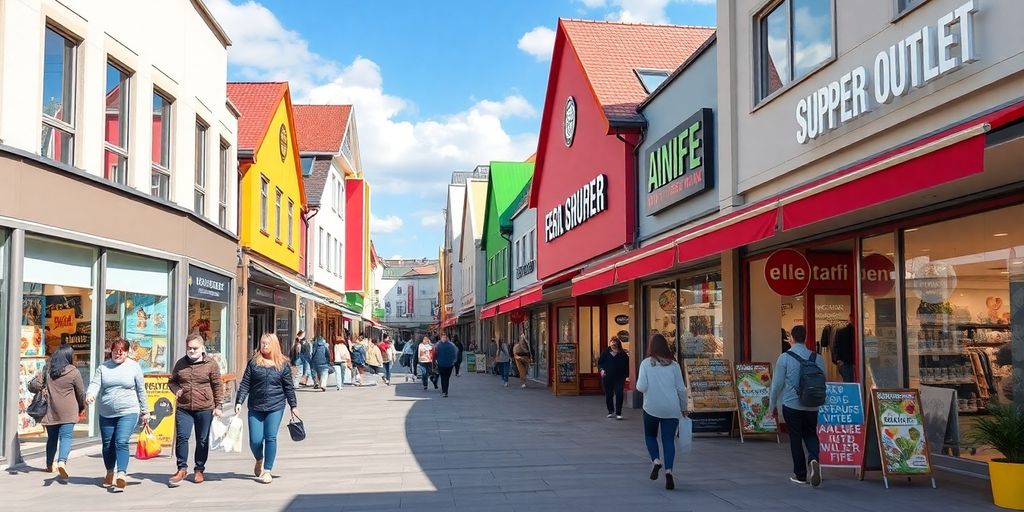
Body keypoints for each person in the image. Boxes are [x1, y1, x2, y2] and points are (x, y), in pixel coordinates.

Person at [86, 338, 150, 491]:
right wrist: (90, 394)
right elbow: (95, 384)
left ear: (127, 353)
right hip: (107, 413)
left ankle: (121, 473)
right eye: (114, 352)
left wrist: (145, 411)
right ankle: (110, 471)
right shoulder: (103, 367)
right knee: (108, 445)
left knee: (121, 441)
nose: (117, 355)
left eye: (121, 353)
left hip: (129, 411)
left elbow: (141, 389)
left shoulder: (134, 367)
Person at [235, 333, 298, 484]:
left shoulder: (282, 364)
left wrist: (293, 406)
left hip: (276, 405)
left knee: (271, 437)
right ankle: (259, 458)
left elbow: (288, 387)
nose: (264, 346)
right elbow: (245, 383)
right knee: (255, 440)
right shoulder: (254, 362)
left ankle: (267, 470)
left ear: (274, 345)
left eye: (267, 344)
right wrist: (239, 401)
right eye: (262, 343)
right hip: (256, 405)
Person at [769, 324, 826, 487]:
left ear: (791, 338)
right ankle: (814, 458)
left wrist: (772, 405)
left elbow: (777, 384)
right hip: (813, 404)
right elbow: (823, 380)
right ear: (805, 338)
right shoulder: (817, 358)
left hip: (792, 404)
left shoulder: (785, 358)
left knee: (795, 437)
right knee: (810, 433)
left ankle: (800, 474)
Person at [167, 333, 224, 486]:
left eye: (195, 348)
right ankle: (181, 468)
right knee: (182, 437)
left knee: (202, 440)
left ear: (202, 348)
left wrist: (219, 405)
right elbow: (172, 381)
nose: (192, 351)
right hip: (184, 407)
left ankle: (199, 469)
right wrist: (176, 389)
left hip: (204, 407)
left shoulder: (211, 364)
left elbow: (217, 385)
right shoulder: (180, 364)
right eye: (189, 348)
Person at [635, 333, 688, 491]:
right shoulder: (674, 365)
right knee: (668, 440)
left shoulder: (645, 364)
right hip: (671, 408)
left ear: (651, 347)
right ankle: (669, 471)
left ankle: (656, 461)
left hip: (651, 407)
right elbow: (681, 389)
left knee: (650, 436)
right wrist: (684, 408)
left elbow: (640, 387)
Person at [29, 343, 85, 479]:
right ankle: (61, 462)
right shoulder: (74, 372)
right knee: (66, 437)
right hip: (69, 410)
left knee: (52, 438)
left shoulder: (47, 370)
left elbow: (34, 385)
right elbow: (80, 393)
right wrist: (82, 407)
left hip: (50, 410)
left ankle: (49, 465)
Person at [597, 336, 630, 419]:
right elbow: (600, 363)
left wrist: (626, 376)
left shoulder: (623, 354)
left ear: (618, 344)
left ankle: (618, 413)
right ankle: (610, 411)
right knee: (609, 395)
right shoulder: (605, 352)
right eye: (612, 342)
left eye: (615, 342)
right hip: (607, 377)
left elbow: (627, 365)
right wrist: (601, 370)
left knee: (619, 394)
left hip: (619, 377)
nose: (613, 344)